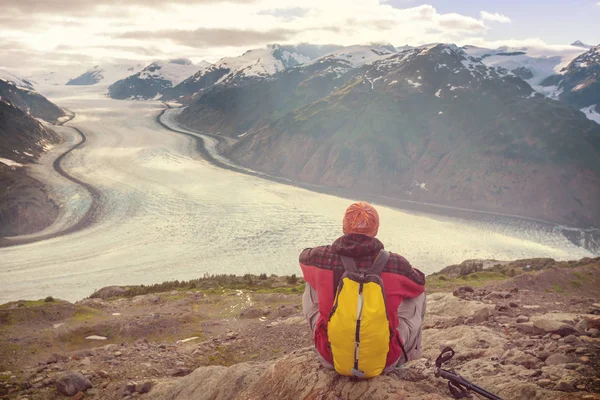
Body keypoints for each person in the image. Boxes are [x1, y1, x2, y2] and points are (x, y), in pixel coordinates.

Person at [299, 201, 426, 375]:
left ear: (344, 227)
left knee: (311, 281)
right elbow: (419, 284)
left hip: (331, 358)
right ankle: (406, 355)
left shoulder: (321, 257)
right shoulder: (396, 264)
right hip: (384, 361)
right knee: (418, 294)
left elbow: (302, 257)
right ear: (376, 230)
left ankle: (326, 340)